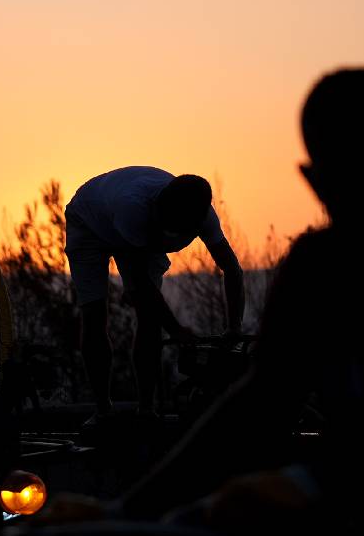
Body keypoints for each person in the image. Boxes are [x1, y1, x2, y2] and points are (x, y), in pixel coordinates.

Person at [66, 68, 364, 536]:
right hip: (355, 499)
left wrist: (232, 329)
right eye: (351, 181)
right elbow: (261, 401)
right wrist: (128, 511)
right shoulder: (318, 268)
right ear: (315, 180)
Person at [65, 167, 245, 423]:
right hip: (89, 222)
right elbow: (142, 284)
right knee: (94, 313)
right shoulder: (133, 209)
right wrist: (176, 330)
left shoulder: (204, 216)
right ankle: (103, 411)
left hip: (134, 229)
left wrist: (234, 327)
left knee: (149, 317)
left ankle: (147, 410)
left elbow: (232, 268)